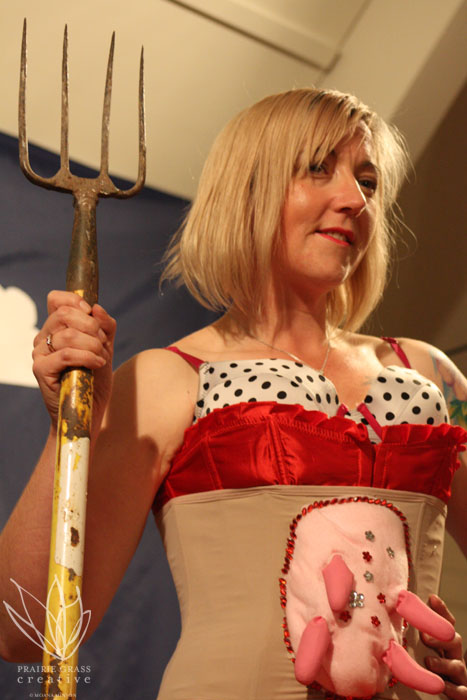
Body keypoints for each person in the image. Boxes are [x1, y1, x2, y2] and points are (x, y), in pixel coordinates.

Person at [0, 88, 466, 699]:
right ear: (247, 191)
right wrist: (68, 430)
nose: (355, 199)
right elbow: (27, 630)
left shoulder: (432, 377)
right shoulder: (169, 379)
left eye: (369, 181)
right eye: (317, 167)